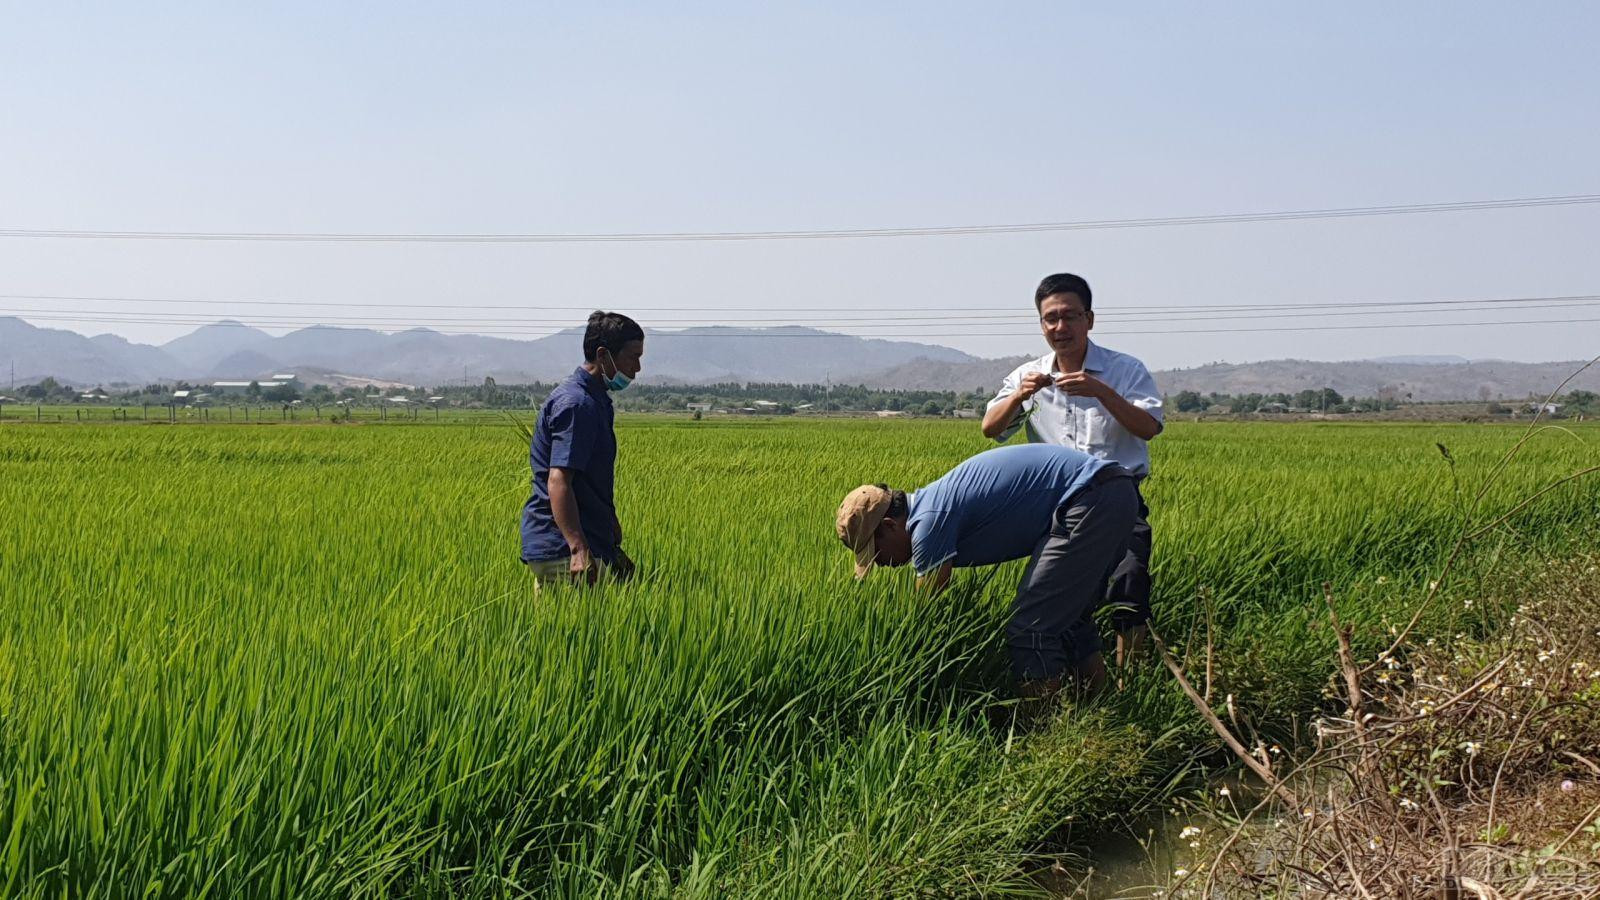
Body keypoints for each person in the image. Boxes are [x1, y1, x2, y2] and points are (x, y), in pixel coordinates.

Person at [835, 443, 1138, 698]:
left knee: (1029, 628)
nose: (880, 564)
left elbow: (923, 613)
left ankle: (1044, 735)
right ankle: (1101, 710)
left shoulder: (927, 523)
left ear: (889, 526)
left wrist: (891, 658)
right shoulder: (933, 503)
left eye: (876, 553)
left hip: (1089, 498)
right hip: (1110, 491)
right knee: (1068, 620)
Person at [981, 273, 1163, 664]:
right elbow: (990, 429)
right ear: (1041, 324)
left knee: (1128, 585)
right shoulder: (1028, 376)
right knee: (1063, 598)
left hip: (1118, 498)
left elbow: (1149, 427)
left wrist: (1102, 392)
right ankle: (1079, 688)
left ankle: (1129, 682)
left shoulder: (1124, 371)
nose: (1060, 327)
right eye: (1051, 318)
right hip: (1056, 507)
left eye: (1070, 316)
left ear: (1089, 319)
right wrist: (1020, 396)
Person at [520, 310, 643, 588]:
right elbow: (559, 480)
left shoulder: (594, 399)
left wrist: (608, 533)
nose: (637, 368)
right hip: (563, 549)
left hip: (578, 542)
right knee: (581, 631)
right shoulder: (577, 405)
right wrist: (578, 549)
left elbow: (588, 479)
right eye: (633, 357)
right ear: (603, 355)